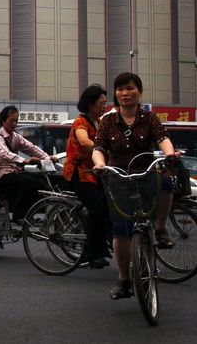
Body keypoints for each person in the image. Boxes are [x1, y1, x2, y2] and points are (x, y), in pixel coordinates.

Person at [92, 72, 181, 300]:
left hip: (147, 173)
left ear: (139, 92)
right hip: (118, 177)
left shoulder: (150, 118)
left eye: (130, 88)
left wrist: (170, 154)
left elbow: (163, 138)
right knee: (121, 231)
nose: (125, 93)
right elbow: (99, 147)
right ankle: (123, 280)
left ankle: (160, 228)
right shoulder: (108, 121)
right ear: (116, 94)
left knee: (167, 183)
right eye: (120, 89)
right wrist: (100, 164)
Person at [62, 84, 110, 269]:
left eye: (105, 103)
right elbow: (83, 141)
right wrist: (102, 149)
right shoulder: (80, 122)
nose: (103, 106)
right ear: (90, 103)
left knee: (108, 206)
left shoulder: (99, 123)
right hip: (78, 174)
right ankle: (92, 252)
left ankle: (101, 245)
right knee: (96, 208)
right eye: (100, 103)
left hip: (95, 173)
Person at [0, 105, 59, 223]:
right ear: (3, 120)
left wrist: (47, 158)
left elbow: (31, 148)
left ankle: (31, 213)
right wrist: (25, 161)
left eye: (16, 121)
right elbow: (5, 154)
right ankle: (19, 216)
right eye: (11, 121)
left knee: (40, 182)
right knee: (26, 182)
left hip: (13, 173)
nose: (14, 123)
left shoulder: (16, 137)